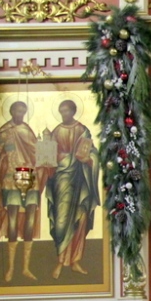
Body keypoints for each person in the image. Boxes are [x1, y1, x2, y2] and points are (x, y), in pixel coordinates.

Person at [42, 99, 100, 280]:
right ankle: (60, 261)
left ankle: (75, 260)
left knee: (80, 219)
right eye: (61, 111)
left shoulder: (83, 130)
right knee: (61, 221)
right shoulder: (56, 131)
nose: (64, 114)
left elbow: (92, 152)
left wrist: (88, 159)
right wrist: (47, 152)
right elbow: (47, 158)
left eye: (66, 111)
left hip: (81, 181)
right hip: (61, 181)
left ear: (73, 111)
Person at [0, 101, 41, 282]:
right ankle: (10, 268)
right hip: (11, 179)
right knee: (12, 222)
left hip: (30, 179)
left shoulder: (28, 131)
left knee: (30, 222)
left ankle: (25, 268)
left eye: (23, 112)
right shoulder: (3, 132)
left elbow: (39, 154)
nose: (20, 115)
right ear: (11, 112)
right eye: (17, 111)